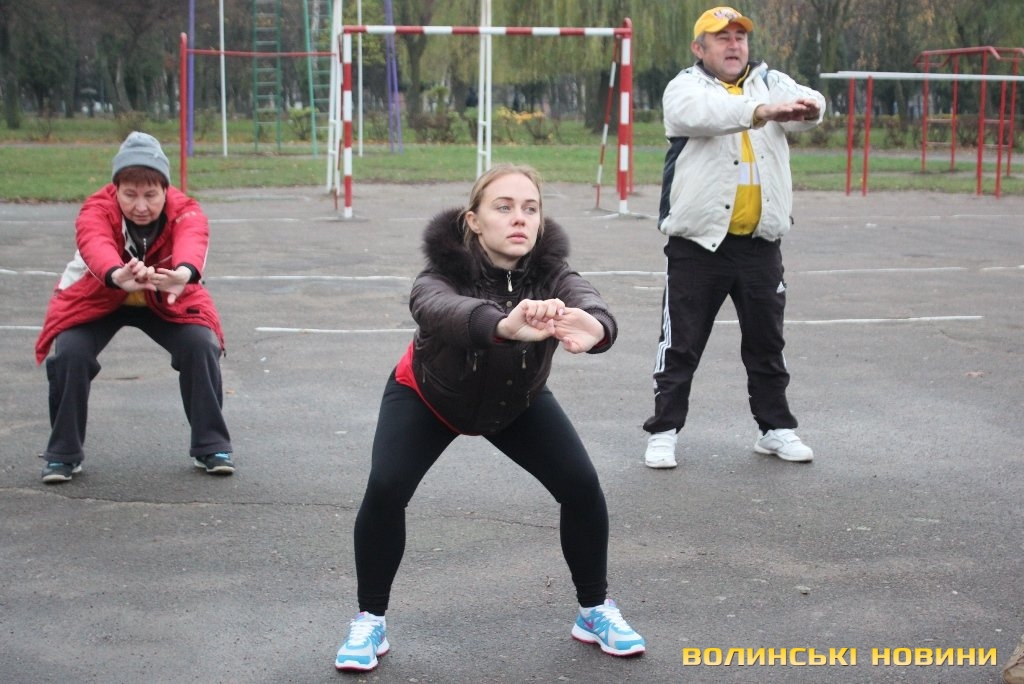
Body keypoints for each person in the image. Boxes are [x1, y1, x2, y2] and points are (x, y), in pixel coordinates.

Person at [334, 164, 645, 672]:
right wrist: (501, 325)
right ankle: (369, 620)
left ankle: (594, 612)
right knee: (386, 487)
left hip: (513, 401)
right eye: (504, 207)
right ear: (474, 220)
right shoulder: (443, 270)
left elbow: (587, 300)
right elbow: (435, 307)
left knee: (581, 486)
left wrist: (598, 327)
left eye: (530, 208)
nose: (519, 218)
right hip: (429, 396)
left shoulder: (551, 273)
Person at [641, 6, 825, 470]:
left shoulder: (769, 81)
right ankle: (663, 432)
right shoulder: (685, 88)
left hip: (761, 245)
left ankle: (775, 429)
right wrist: (761, 110)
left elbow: (807, 109)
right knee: (680, 345)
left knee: (767, 344)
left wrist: (810, 106)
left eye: (740, 37)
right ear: (699, 48)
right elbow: (707, 115)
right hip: (698, 246)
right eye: (722, 37)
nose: (734, 44)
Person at [35, 131, 234, 483]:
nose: (140, 206)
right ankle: (63, 455)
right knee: (70, 352)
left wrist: (184, 274)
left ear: (166, 190)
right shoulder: (96, 209)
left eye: (150, 195)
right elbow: (94, 241)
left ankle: (212, 446)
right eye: (130, 194)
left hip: (165, 294)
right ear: (115, 190)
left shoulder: (185, 209)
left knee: (201, 345)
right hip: (99, 294)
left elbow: (193, 238)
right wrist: (116, 275)